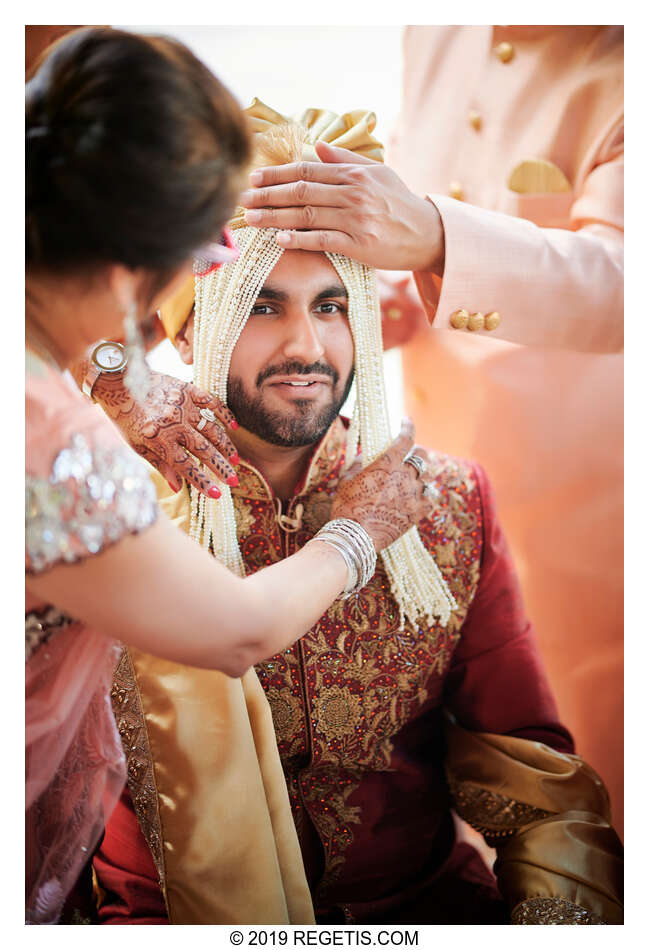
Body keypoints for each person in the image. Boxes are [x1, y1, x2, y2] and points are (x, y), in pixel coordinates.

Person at [92, 107, 623, 926]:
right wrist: (105, 366)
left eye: (333, 306)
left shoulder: (443, 505)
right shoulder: (104, 501)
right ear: (188, 329)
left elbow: (539, 794)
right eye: (261, 307)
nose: (307, 346)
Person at [25, 31, 430, 924]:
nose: (303, 346)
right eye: (230, 282)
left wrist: (103, 368)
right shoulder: (58, 447)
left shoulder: (53, 392)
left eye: (333, 305)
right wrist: (358, 533)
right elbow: (236, 631)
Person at [238, 27, 624, 834]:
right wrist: (404, 286)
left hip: (600, 479)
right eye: (260, 305)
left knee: (590, 729)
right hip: (434, 440)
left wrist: (437, 237)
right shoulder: (444, 24)